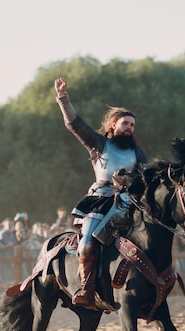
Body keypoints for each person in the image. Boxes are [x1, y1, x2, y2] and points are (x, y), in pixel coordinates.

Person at [54, 77, 148, 307]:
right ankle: (86, 288)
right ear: (113, 125)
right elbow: (74, 124)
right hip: (100, 201)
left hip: (130, 203)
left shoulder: (139, 153)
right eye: (125, 123)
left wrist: (130, 181)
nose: (129, 128)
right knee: (87, 242)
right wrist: (63, 98)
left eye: (133, 125)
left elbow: (145, 181)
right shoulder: (99, 144)